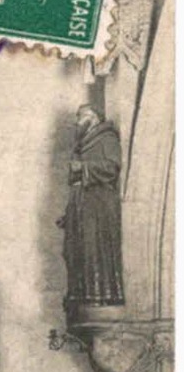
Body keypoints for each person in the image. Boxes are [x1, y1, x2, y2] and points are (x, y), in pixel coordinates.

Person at [61, 104, 124, 307]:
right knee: (73, 251)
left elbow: (112, 168)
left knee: (94, 250)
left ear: (93, 118)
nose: (76, 122)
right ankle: (80, 296)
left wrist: (83, 167)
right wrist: (69, 212)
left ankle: (99, 296)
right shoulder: (81, 145)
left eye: (80, 117)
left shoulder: (107, 138)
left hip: (98, 208)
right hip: (80, 208)